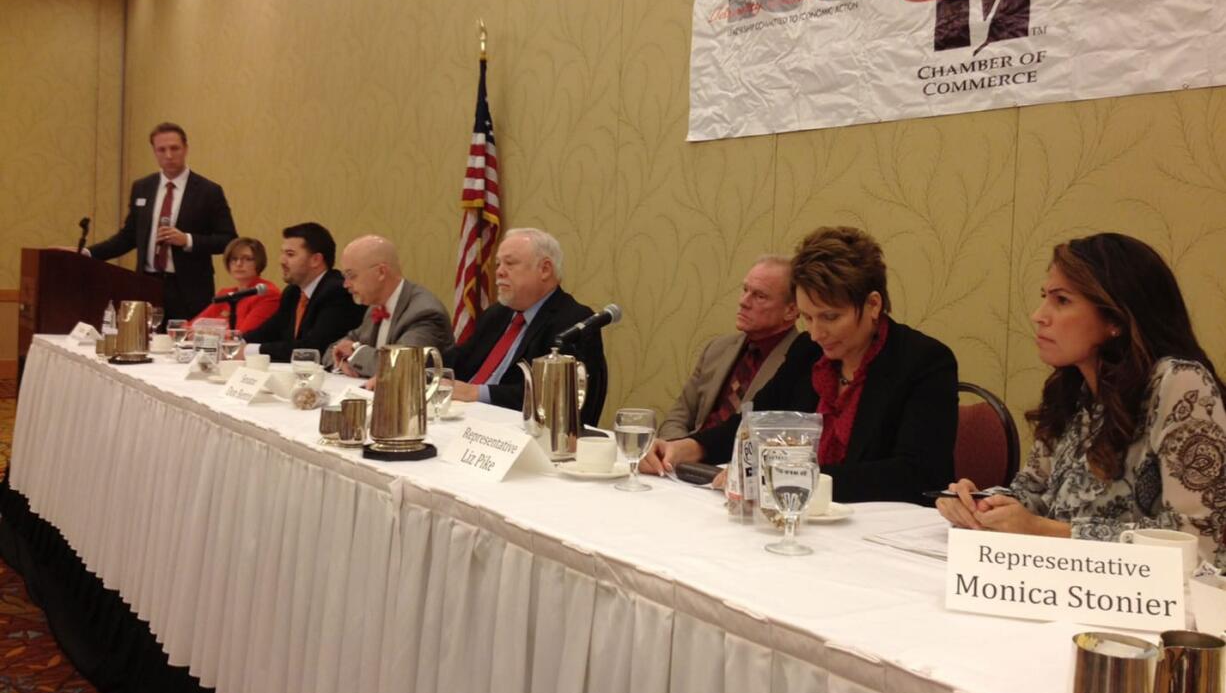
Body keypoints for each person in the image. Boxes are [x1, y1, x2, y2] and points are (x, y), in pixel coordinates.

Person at [937, 234, 1226, 564]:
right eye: (1044, 297)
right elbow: (1030, 493)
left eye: (1062, 301)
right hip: (1066, 581)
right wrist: (977, 504)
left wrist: (1046, 531)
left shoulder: (1180, 384)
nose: (1038, 315)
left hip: (1155, 602)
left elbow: (1198, 542)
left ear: (1115, 318)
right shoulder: (1073, 390)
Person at [641, 226, 958, 505]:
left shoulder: (923, 362)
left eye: (830, 317)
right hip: (796, 514)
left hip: (877, 532)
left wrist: (788, 477)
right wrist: (688, 447)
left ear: (873, 304)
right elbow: (752, 420)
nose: (817, 333)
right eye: (808, 317)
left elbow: (915, 475)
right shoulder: (808, 353)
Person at [448, 228, 607, 425]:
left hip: (513, 431)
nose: (499, 271)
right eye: (498, 264)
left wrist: (476, 392)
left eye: (510, 263)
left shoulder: (573, 321)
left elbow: (550, 395)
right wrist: (420, 364)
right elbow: (459, 359)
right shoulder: (497, 314)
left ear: (545, 269)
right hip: (465, 419)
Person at [81, 122, 237, 322]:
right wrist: (87, 253)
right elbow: (128, 237)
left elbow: (228, 240)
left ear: (186, 149)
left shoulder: (208, 191)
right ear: (154, 152)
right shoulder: (142, 187)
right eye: (161, 150)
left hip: (189, 290)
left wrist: (187, 240)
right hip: (147, 285)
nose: (169, 155)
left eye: (174, 148)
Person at [658, 256, 799, 440]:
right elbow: (676, 418)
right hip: (688, 461)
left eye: (760, 296)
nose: (744, 302)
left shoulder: (801, 363)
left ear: (791, 311)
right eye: (745, 290)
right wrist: (678, 452)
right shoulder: (717, 348)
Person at [326, 235, 454, 377]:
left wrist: (354, 352)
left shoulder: (424, 312)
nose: (346, 284)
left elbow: (399, 367)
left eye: (352, 275)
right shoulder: (375, 307)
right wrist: (342, 359)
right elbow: (335, 348)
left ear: (381, 272)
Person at [244, 223, 366, 362]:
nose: (281, 261)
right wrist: (236, 341)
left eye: (290, 254)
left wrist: (250, 351)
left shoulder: (338, 292)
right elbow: (269, 331)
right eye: (282, 253)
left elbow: (313, 349)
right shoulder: (293, 292)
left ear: (316, 260)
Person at [190, 237, 281, 333]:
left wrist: (203, 333)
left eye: (247, 259)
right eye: (234, 259)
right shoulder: (225, 294)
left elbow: (242, 334)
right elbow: (190, 326)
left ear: (259, 262)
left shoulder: (267, 293)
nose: (239, 264)